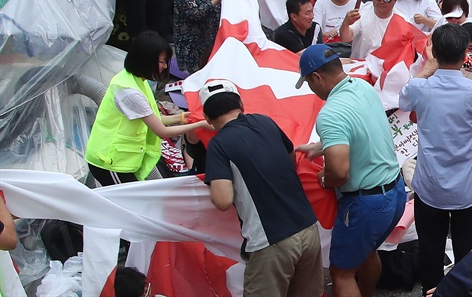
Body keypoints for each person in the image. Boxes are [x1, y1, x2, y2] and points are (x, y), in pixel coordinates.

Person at [400, 24, 472, 293]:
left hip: (429, 186)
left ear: (434, 51)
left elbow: (403, 100)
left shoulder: (420, 88)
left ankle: (431, 291)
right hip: (467, 187)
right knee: (466, 251)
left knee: (430, 248)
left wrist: (427, 67)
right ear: (464, 56)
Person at [294, 45, 405, 297]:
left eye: (309, 84)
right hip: (395, 191)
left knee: (341, 272)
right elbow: (362, 130)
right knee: (367, 253)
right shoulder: (364, 88)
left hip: (366, 204)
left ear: (317, 78)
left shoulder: (330, 113)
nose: (312, 90)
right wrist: (323, 147)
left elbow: (339, 172)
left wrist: (325, 177)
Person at [201, 80, 324, 297]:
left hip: (271, 242)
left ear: (208, 118)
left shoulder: (219, 145)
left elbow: (222, 200)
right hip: (308, 228)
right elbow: (290, 157)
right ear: (240, 104)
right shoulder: (265, 122)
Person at [85, 32, 208, 185]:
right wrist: (201, 124)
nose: (164, 67)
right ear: (145, 60)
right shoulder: (129, 92)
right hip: (110, 161)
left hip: (126, 159)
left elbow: (153, 118)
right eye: (161, 62)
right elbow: (161, 131)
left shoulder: (138, 81)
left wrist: (183, 118)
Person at [340, 0, 405, 59]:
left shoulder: (402, 20)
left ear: (395, 0)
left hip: (386, 66)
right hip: (360, 64)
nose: (381, 2)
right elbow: (345, 38)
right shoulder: (362, 13)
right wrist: (346, 24)